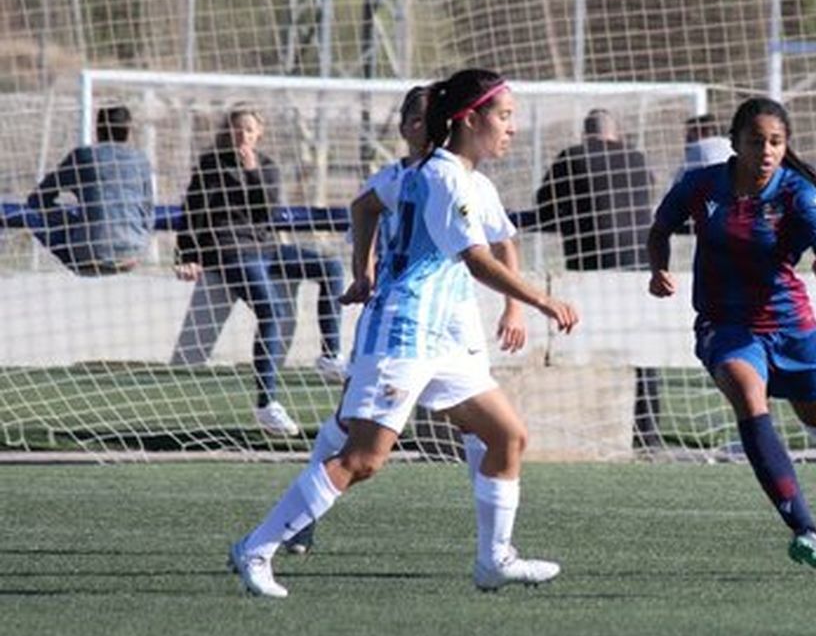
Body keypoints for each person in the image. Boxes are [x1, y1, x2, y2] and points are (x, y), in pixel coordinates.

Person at [228, 68, 581, 599]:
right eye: (505, 116)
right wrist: (541, 300)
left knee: (506, 435)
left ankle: (494, 560)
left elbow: (383, 213)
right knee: (363, 459)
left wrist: (365, 271)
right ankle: (256, 547)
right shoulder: (445, 177)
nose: (512, 128)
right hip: (405, 331)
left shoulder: (449, 175)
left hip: (442, 339)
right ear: (470, 118)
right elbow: (477, 260)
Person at [282, 84, 530, 557]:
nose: (422, 127)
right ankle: (298, 519)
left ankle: (495, 545)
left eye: (428, 119)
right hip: (402, 317)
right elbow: (363, 210)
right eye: (414, 120)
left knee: (489, 426)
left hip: (456, 321)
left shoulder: (470, 181)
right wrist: (363, 272)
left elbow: (503, 241)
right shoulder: (402, 177)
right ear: (403, 128)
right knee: (353, 425)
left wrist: (514, 306)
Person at [646, 96, 816, 574]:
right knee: (747, 396)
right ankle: (805, 529)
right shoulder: (701, 184)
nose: (767, 151)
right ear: (735, 143)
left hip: (791, 327)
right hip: (726, 325)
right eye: (756, 141)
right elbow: (660, 229)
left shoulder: (801, 197)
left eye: (776, 142)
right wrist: (659, 270)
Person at [174, 107, 347, 437]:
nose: (243, 135)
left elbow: (267, 211)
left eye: (249, 130)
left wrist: (252, 171)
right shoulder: (211, 165)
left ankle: (330, 355)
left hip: (265, 247)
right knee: (272, 310)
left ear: (259, 133)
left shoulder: (266, 166)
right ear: (227, 132)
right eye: (237, 129)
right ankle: (266, 404)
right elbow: (191, 213)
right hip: (230, 250)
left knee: (331, 267)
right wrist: (187, 255)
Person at [534, 108, 661, 448]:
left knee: (586, 343)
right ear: (616, 134)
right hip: (639, 264)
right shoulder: (637, 159)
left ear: (584, 135)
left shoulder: (572, 156)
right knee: (642, 348)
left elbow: (544, 206)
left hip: (592, 264)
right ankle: (646, 430)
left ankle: (591, 424)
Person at [26, 105, 153, 276]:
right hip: (132, 250)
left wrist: (72, 217)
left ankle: (74, 259)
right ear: (128, 131)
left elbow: (40, 196)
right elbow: (148, 211)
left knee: (31, 211)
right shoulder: (141, 160)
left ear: (98, 130)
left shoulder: (83, 156)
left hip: (89, 251)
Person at [679, 112, 735, 177]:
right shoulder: (731, 146)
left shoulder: (698, 150)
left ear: (706, 131)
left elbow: (680, 179)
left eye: (690, 133)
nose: (687, 138)